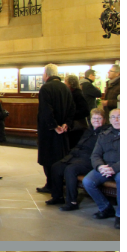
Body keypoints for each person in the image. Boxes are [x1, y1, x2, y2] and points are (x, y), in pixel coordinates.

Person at [47, 108, 108, 209]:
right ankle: (57, 196)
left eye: (99, 118)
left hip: (89, 159)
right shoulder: (88, 130)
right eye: (94, 118)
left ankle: (72, 202)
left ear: (104, 120)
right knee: (56, 167)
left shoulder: (105, 132)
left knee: (71, 169)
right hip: (76, 156)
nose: (96, 120)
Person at [35, 64, 74, 197]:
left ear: (46, 74)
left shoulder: (46, 87)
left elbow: (46, 109)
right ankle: (57, 184)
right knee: (59, 157)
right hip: (62, 130)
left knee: (47, 158)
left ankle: (51, 184)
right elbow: (71, 108)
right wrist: (66, 124)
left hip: (49, 131)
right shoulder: (65, 87)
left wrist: (54, 125)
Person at [82, 108, 119, 229]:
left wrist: (114, 168)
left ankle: (120, 215)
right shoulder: (104, 135)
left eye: (119, 116)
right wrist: (100, 166)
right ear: (109, 119)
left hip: (120, 168)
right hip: (105, 167)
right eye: (113, 117)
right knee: (88, 181)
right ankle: (105, 208)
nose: (116, 120)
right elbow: (95, 154)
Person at [66, 73, 91, 148]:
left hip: (77, 126)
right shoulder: (72, 93)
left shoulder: (77, 94)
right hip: (74, 125)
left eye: (66, 82)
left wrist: (71, 115)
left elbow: (85, 110)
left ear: (70, 84)